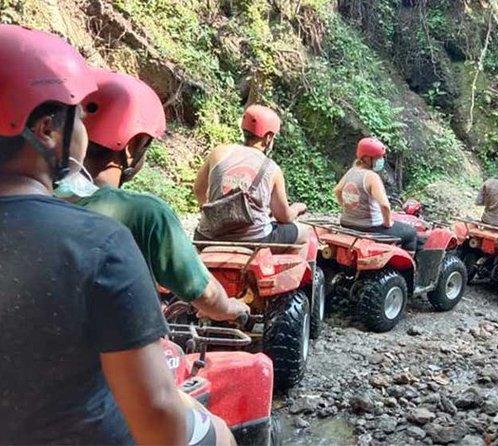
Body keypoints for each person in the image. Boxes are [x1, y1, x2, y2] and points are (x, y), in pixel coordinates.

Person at [0, 25, 187, 445]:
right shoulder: (99, 242)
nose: (85, 131)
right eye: (79, 116)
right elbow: (159, 419)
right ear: (46, 129)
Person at [69, 67, 249, 323]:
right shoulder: (146, 214)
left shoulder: (32, 194)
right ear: (132, 147)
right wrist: (231, 307)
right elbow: (206, 295)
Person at [194, 104, 309, 249]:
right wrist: (297, 208)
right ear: (268, 137)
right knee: (305, 234)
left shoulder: (218, 152)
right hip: (255, 241)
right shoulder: (272, 168)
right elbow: (283, 216)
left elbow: (198, 190)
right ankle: (288, 272)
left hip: (206, 236)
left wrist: (217, 214)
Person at [334, 137, 418, 253]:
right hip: (370, 227)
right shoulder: (371, 177)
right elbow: (384, 205)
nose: (381, 160)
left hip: (346, 223)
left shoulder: (351, 172)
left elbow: (337, 191)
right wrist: (388, 223)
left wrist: (349, 207)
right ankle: (408, 269)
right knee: (411, 233)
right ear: (367, 158)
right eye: (378, 157)